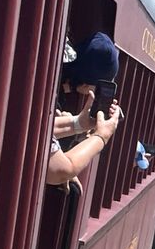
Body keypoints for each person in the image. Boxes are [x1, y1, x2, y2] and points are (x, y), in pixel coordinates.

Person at [47, 32, 122, 187]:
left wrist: (78, 123)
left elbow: (40, 130)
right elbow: (61, 170)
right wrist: (101, 136)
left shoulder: (48, 85)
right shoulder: (47, 97)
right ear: (87, 84)